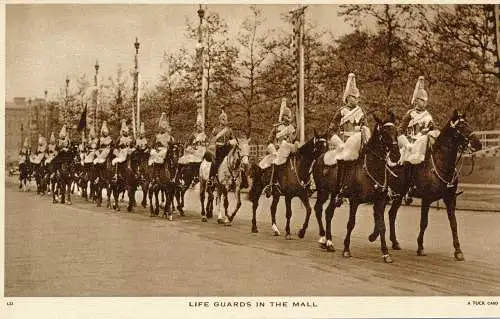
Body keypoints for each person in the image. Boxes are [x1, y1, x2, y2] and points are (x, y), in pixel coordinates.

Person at [328, 73, 369, 207]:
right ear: (347, 97)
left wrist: (362, 129)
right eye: (353, 97)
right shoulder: (341, 112)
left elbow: (366, 125)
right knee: (342, 162)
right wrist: (338, 142)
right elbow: (331, 129)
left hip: (358, 142)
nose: (356, 99)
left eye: (357, 97)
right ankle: (340, 189)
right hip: (344, 142)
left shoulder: (361, 111)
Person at [397, 76, 439, 203]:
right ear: (416, 101)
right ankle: (409, 187)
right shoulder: (410, 114)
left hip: (424, 143)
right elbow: (400, 130)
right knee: (410, 162)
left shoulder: (428, 115)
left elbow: (435, 129)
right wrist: (406, 142)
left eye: (425, 100)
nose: (424, 103)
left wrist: (431, 132)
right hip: (411, 143)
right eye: (422, 100)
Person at [260, 98, 297, 197]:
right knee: (275, 163)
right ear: (284, 117)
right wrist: (275, 145)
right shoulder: (277, 127)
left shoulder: (292, 128)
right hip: (279, 150)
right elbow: (269, 140)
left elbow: (294, 139)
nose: (289, 119)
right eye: (287, 117)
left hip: (289, 149)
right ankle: (272, 184)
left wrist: (292, 138)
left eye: (289, 117)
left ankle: (303, 183)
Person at [207, 107, 234, 185]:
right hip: (218, 149)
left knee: (236, 161)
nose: (224, 121)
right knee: (216, 163)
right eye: (223, 119)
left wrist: (230, 142)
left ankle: (237, 179)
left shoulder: (229, 130)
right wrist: (215, 144)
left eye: (225, 119)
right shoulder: (215, 130)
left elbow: (233, 139)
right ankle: (211, 178)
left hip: (227, 149)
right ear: (220, 120)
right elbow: (211, 140)